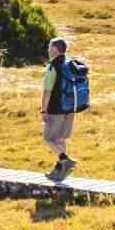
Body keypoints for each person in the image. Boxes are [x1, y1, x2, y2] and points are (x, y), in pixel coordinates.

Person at [38, 37, 77, 179]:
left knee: (48, 138)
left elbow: (47, 91)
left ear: (54, 49)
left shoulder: (53, 66)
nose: (48, 50)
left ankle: (65, 159)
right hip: (71, 108)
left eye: (50, 47)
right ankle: (60, 173)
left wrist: (43, 110)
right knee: (60, 140)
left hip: (57, 109)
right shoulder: (70, 64)